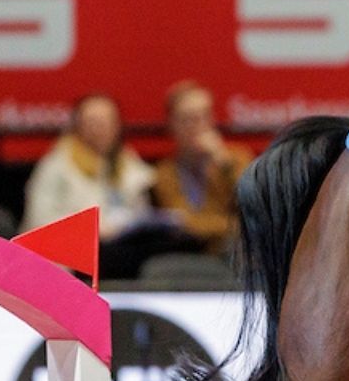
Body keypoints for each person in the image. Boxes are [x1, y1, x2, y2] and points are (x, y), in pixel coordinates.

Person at [23, 92, 172, 279]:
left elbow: (143, 209)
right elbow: (39, 222)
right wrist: (93, 229)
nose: (100, 129)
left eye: (106, 122)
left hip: (120, 253)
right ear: (78, 126)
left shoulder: (129, 163)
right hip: (71, 260)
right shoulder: (56, 166)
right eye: (92, 122)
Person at [151, 80, 248, 256]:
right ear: (172, 125)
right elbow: (184, 224)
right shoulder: (165, 173)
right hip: (190, 253)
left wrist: (223, 162)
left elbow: (253, 207)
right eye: (189, 119)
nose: (199, 125)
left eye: (205, 116)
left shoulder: (236, 158)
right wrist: (232, 226)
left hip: (238, 252)